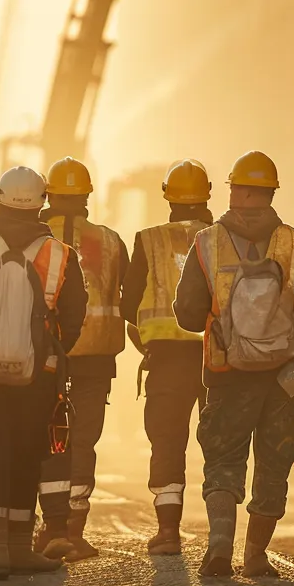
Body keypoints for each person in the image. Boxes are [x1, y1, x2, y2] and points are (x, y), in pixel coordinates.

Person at [174, 150, 294, 578]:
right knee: (274, 460)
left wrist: (223, 321)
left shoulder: (207, 242)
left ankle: (219, 550)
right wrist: (287, 327)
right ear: (269, 193)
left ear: (237, 191)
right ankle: (257, 556)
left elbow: (187, 314)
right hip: (282, 378)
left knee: (224, 460)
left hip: (226, 375)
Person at [0, 166, 87, 580]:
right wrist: (48, 354)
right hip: (40, 374)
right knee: (28, 454)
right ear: (42, 204)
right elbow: (73, 318)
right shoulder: (60, 254)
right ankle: (18, 545)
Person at [120, 158, 213, 556]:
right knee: (220, 445)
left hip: (167, 360)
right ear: (208, 195)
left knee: (168, 443)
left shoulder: (149, 239)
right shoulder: (223, 238)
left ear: (167, 196)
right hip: (218, 360)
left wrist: (148, 334)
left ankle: (168, 532)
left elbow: (127, 304)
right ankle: (221, 541)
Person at [36, 156, 126, 562]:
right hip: (95, 357)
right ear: (88, 195)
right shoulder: (109, 240)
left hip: (44, 356)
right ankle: (73, 530)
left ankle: (45, 526)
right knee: (83, 442)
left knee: (42, 440)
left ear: (49, 195)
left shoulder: (34, 239)